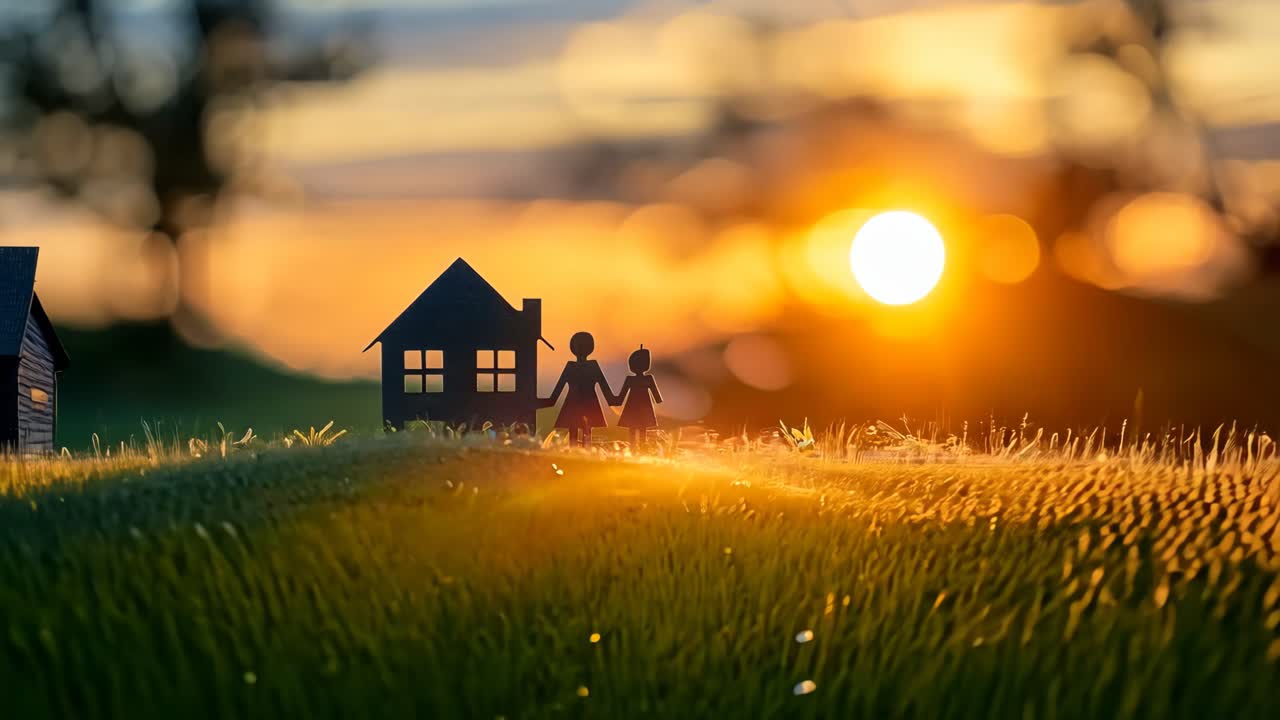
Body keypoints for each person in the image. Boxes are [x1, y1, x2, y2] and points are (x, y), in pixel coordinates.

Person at [544, 332, 619, 447]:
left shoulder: (587, 366)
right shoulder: (580, 366)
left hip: (579, 406)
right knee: (577, 431)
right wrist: (614, 401)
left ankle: (581, 451)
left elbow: (605, 388)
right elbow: (557, 392)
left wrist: (614, 401)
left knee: (583, 431)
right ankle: (578, 451)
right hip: (578, 405)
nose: (580, 348)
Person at [617, 344, 663, 449]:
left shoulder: (633, 379)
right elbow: (657, 397)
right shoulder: (646, 379)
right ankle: (640, 447)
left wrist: (616, 400)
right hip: (641, 407)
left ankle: (637, 447)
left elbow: (622, 395)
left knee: (636, 428)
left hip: (634, 407)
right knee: (641, 428)